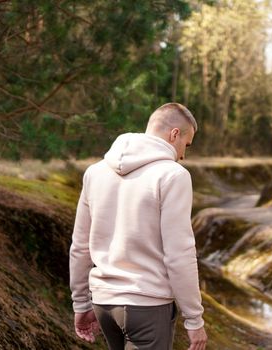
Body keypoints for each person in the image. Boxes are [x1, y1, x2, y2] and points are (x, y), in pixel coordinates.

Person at [69, 103, 207, 350]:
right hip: (148, 306)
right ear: (174, 134)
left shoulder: (95, 172)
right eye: (186, 145)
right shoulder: (173, 175)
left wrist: (81, 304)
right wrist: (194, 319)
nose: (183, 155)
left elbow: (80, 246)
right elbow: (179, 254)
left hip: (104, 305)